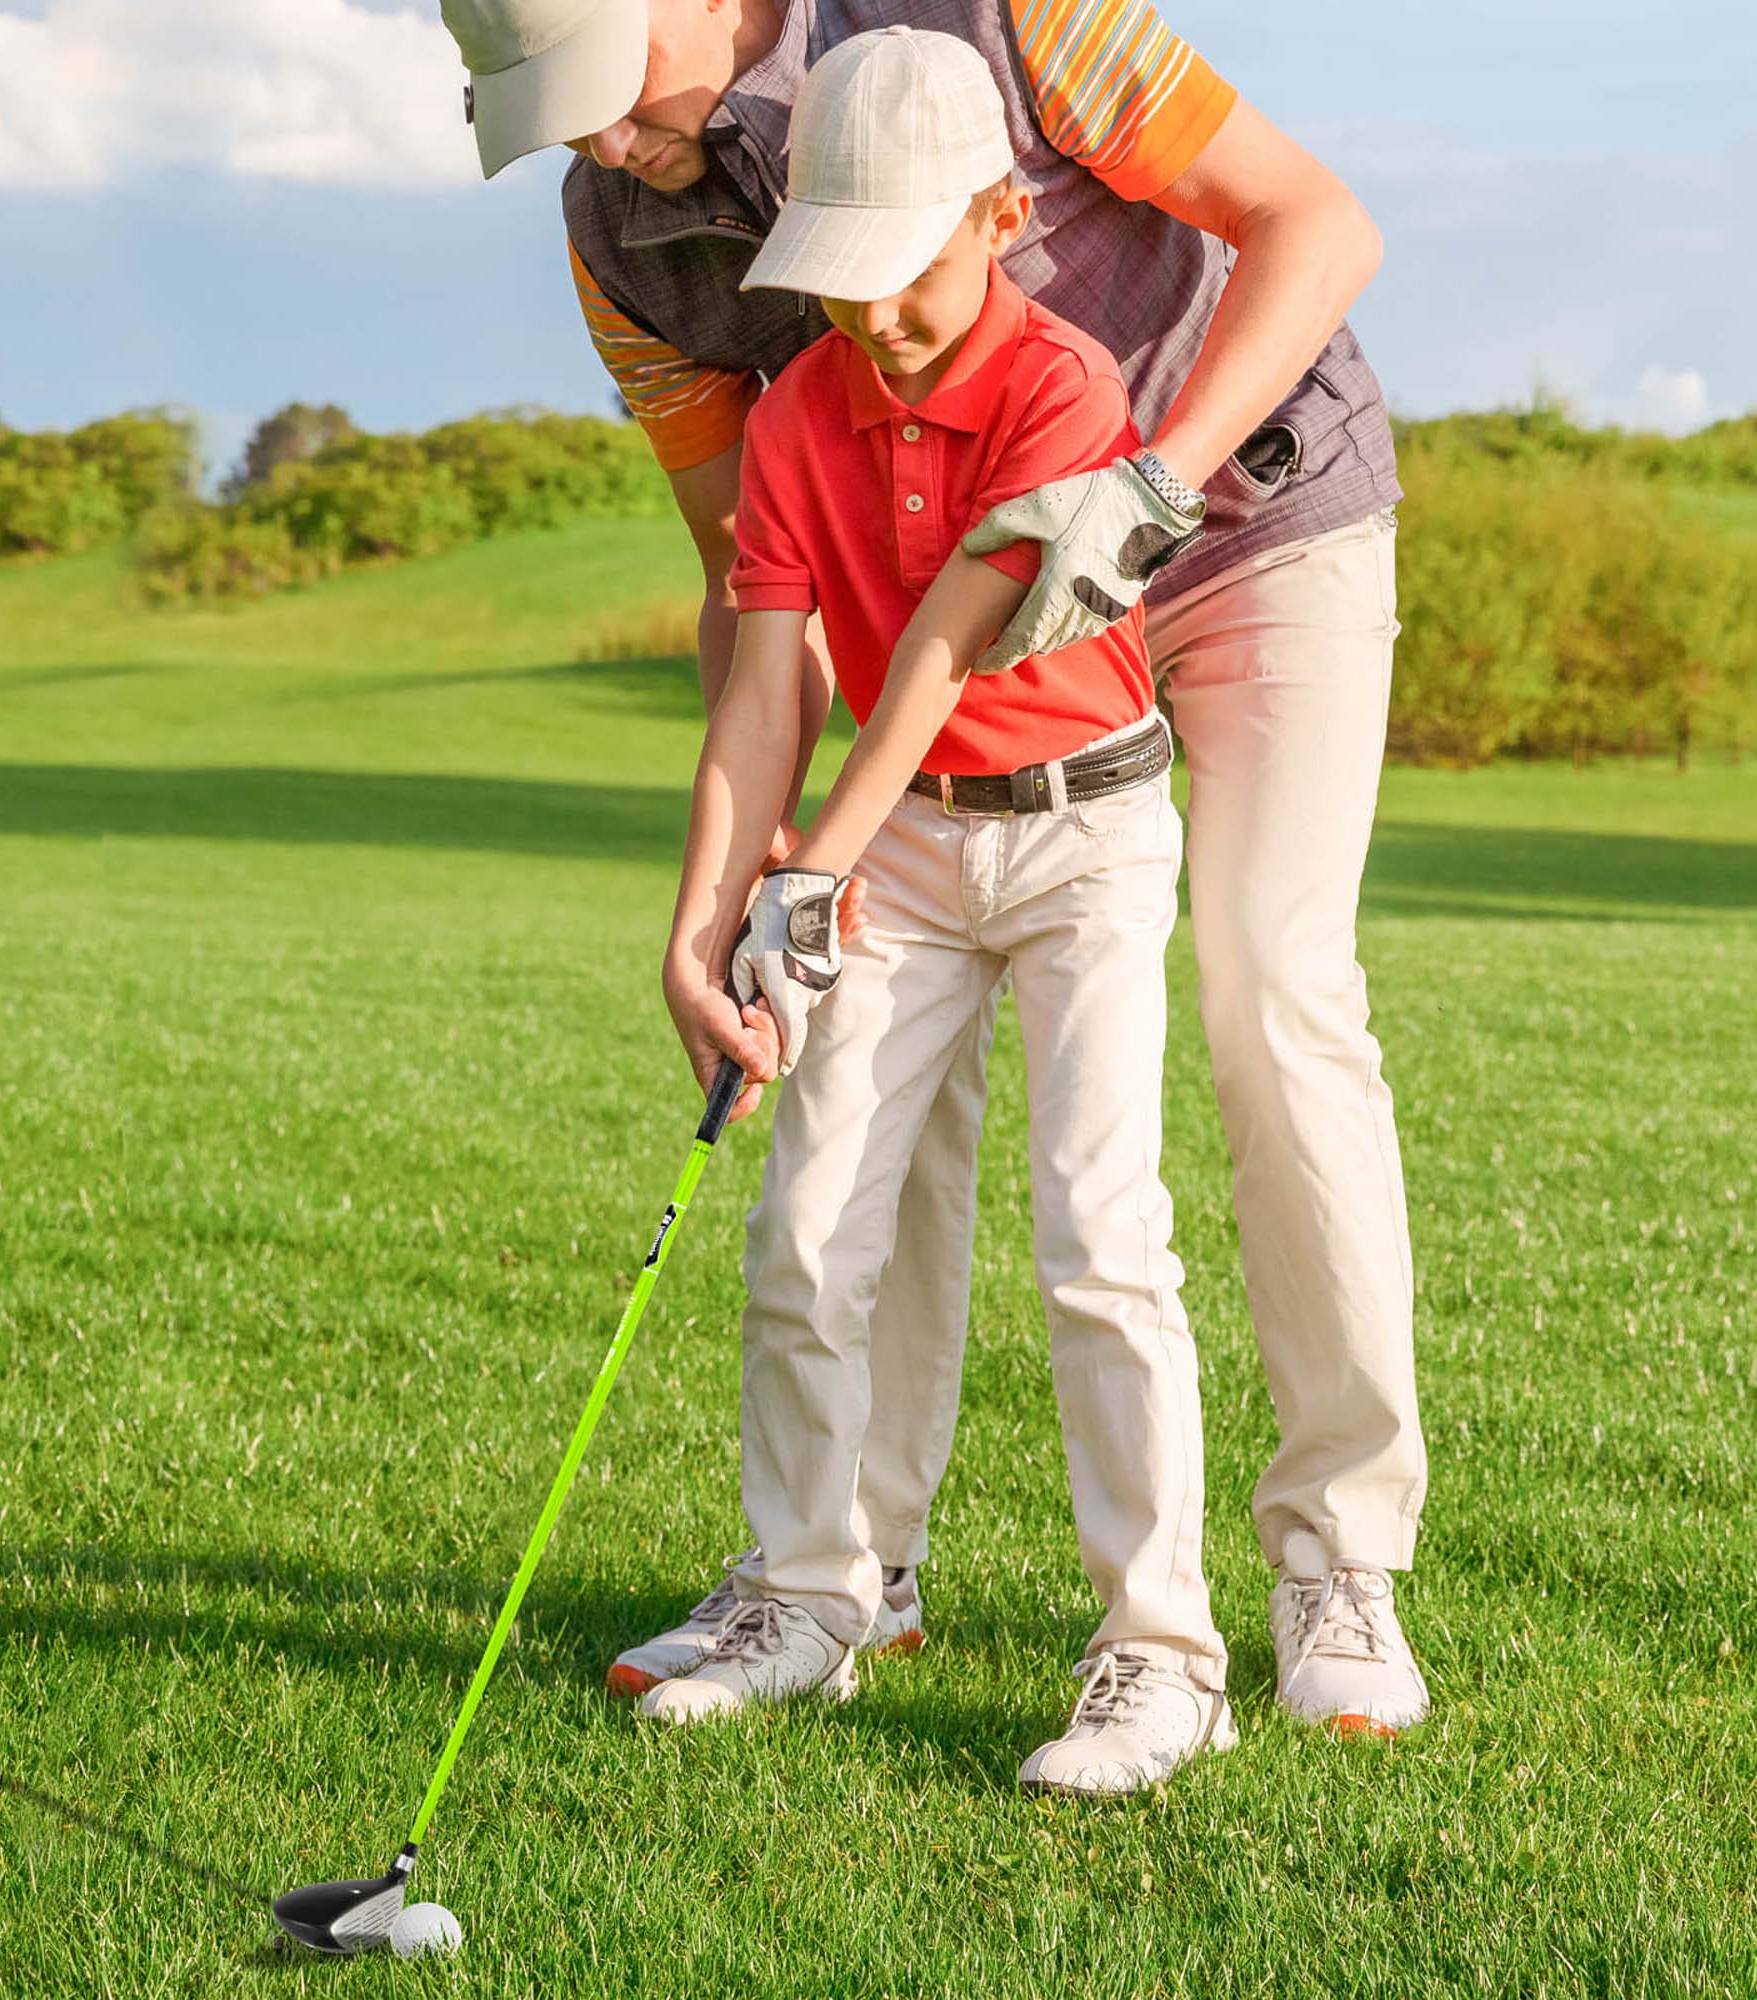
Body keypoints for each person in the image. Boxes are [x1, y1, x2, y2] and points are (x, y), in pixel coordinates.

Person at [442, 0, 1430, 1735]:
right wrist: (744, 899)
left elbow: (1317, 224)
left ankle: (1333, 1554)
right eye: (551, 122)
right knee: (866, 1115)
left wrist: (1150, 482)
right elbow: (762, 592)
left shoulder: (1004, 20)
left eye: (600, 93)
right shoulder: (622, 229)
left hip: (1246, 510)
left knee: (1273, 992)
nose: (597, 146)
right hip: (948, 672)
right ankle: (848, 1567)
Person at [643, 27, 1231, 1792]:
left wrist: (808, 866)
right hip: (898, 855)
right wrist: (706, 917)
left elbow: (930, 659)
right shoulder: (801, 414)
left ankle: (1159, 1648)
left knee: (1099, 1237)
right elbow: (768, 686)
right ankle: (818, 1594)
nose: (875, 318)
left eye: (905, 274)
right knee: (810, 1229)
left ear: (997, 216)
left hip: (1086, 837)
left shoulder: (1066, 388)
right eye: (842, 279)